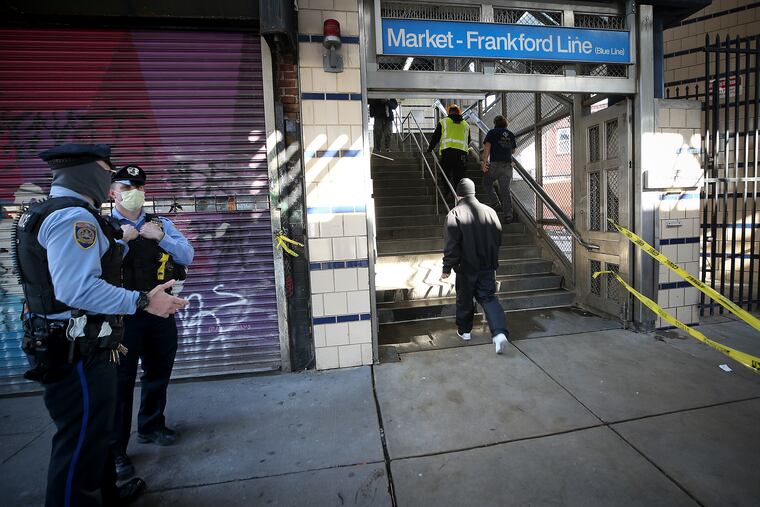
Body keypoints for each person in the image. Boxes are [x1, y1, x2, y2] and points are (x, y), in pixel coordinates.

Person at [13, 144, 189, 507]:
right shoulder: (74, 219)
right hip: (77, 342)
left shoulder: (51, 213)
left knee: (93, 430)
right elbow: (78, 288)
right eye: (110, 175)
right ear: (93, 176)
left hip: (87, 336)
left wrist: (137, 241)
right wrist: (141, 300)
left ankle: (108, 490)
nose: (121, 185)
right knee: (81, 439)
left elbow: (182, 254)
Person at [110, 165, 194, 480]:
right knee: (119, 384)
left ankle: (151, 425)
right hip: (121, 318)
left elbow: (187, 255)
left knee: (158, 372)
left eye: (140, 187)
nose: (135, 193)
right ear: (112, 193)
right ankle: (116, 449)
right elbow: (90, 267)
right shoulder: (104, 227)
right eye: (127, 187)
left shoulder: (162, 224)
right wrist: (123, 241)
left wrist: (163, 240)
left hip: (161, 314)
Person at [441, 178, 510, 354]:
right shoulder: (490, 212)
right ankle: (499, 334)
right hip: (487, 265)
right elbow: (498, 238)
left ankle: (465, 332)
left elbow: (452, 244)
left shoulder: (455, 214)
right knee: (489, 297)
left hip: (466, 266)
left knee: (465, 298)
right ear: (473, 193)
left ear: (458, 194)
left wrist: (447, 267)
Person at [427, 104, 471, 195]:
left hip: (448, 153)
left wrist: (430, 148)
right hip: (462, 154)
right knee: (459, 176)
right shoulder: (466, 125)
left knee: (444, 173)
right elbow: (468, 140)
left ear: (449, 112)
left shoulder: (444, 122)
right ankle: (458, 195)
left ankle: (448, 192)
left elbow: (436, 137)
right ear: (459, 112)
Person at [481, 115, 517, 223]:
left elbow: (487, 148)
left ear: (495, 123)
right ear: (505, 123)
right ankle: (508, 215)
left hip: (495, 165)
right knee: (505, 191)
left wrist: (484, 162)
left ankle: (496, 202)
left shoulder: (492, 133)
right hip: (507, 166)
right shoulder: (510, 134)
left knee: (486, 183)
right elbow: (513, 151)